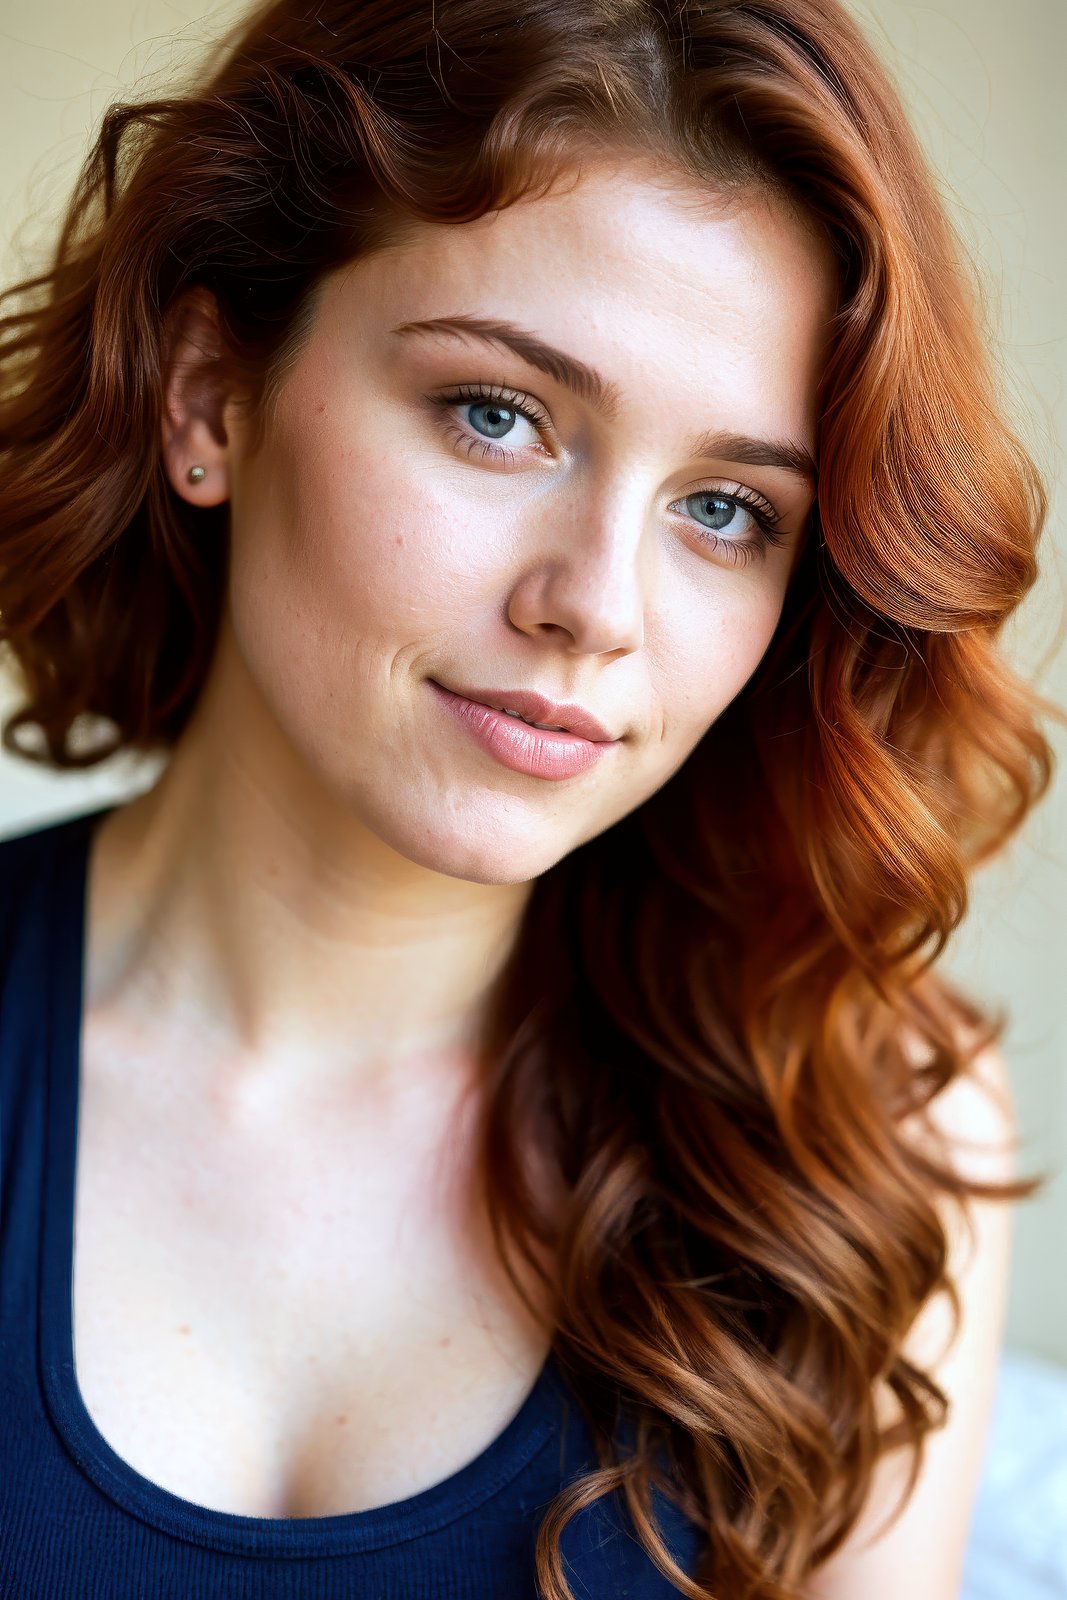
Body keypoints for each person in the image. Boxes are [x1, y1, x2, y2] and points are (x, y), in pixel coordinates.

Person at [0, 0, 1060, 1595]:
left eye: (723, 509)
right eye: (498, 416)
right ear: (212, 397)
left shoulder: (871, 1140)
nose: (597, 605)